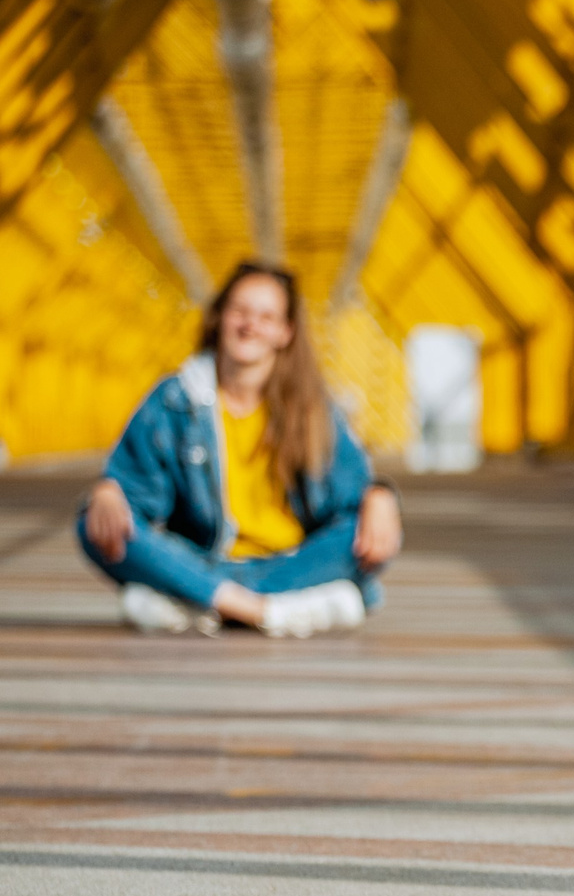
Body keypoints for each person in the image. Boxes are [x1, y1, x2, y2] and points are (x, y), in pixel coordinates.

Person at [79, 262, 402, 636]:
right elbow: (133, 496)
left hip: (291, 563)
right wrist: (107, 491)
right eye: (240, 312)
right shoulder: (174, 401)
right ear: (219, 318)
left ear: (285, 332)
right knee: (91, 523)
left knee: (369, 531)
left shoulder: (314, 409)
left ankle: (196, 600)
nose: (250, 325)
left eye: (267, 316)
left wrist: (380, 496)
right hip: (204, 558)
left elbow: (350, 498)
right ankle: (263, 610)